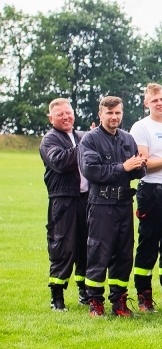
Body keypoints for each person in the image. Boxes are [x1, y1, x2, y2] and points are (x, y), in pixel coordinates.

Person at [79, 96, 146, 317]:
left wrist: (140, 165)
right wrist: (123, 167)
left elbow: (135, 172)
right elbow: (92, 171)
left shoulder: (127, 139)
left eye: (117, 112)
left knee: (124, 254)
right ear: (100, 115)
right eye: (109, 113)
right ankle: (95, 301)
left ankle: (119, 301)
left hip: (124, 203)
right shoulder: (90, 140)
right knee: (99, 251)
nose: (114, 117)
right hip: (101, 204)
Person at [129, 83, 162, 312]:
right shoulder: (141, 127)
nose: (160, 103)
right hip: (152, 191)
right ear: (146, 103)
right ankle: (144, 296)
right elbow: (144, 163)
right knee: (148, 245)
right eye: (155, 100)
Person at [40, 98, 88, 311]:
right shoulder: (49, 140)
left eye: (68, 113)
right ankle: (57, 297)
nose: (66, 117)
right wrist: (87, 145)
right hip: (63, 200)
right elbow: (60, 162)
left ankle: (84, 290)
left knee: (87, 246)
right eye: (60, 114)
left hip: (87, 199)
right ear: (51, 118)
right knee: (63, 246)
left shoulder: (80, 136)